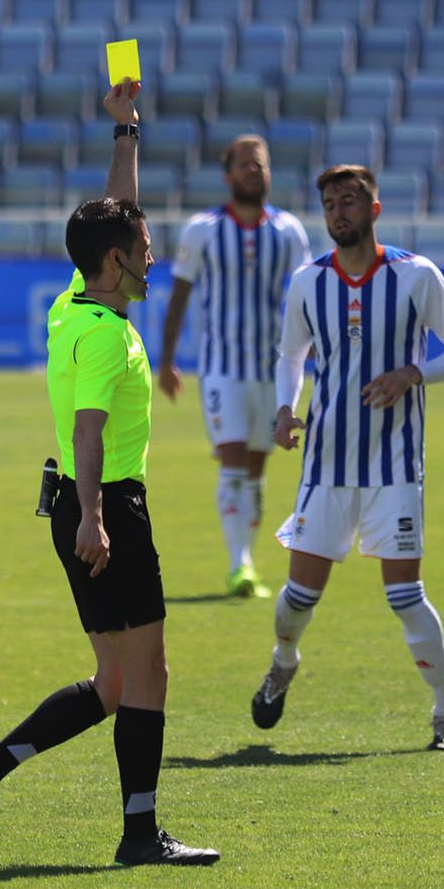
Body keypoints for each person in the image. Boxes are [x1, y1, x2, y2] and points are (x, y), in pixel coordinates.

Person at [0, 82, 219, 867]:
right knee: (148, 672)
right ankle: (139, 835)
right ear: (117, 261)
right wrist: (97, 518)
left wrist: (125, 129)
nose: (153, 253)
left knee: (112, 681)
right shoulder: (100, 336)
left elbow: (112, 212)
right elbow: (88, 431)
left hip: (76, 502)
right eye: (145, 244)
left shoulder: (78, 301)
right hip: (106, 506)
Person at [252, 164, 444, 751]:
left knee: (405, 596)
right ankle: (283, 662)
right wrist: (285, 409)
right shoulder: (308, 282)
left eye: (349, 201)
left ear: (374, 209)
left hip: (395, 466)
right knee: (298, 599)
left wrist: (413, 373)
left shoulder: (414, 275)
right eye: (329, 202)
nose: (338, 212)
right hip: (326, 464)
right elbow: (290, 357)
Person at [158, 135, 311, 599]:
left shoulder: (289, 231)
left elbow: (307, 299)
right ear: (227, 175)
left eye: (260, 164)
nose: (253, 171)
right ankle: (238, 563)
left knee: (257, 469)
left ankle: (246, 559)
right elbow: (180, 294)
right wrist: (166, 360)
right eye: (244, 164)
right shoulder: (202, 229)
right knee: (232, 458)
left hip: (273, 369)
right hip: (222, 367)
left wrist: (317, 355)